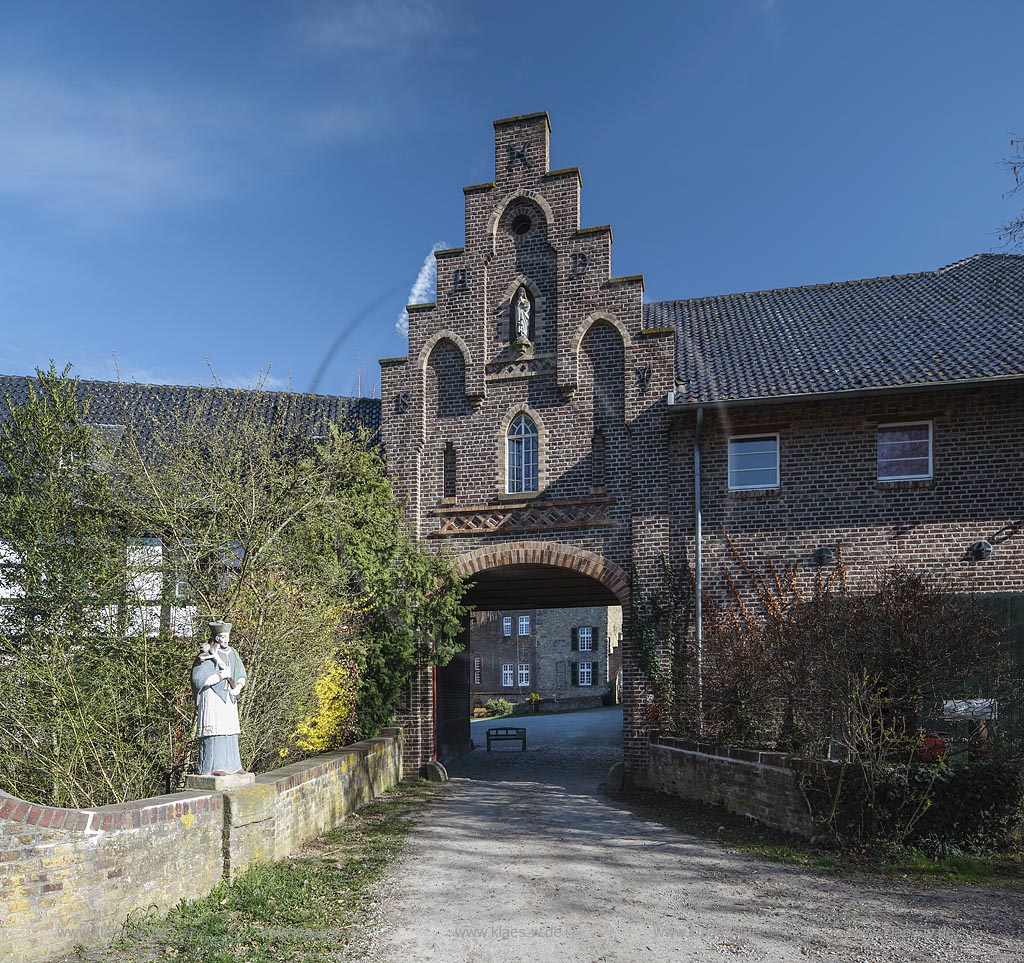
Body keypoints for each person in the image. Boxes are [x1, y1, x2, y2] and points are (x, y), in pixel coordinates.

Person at [190, 620, 247, 776]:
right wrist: (220, 675)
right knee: (216, 729)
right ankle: (214, 766)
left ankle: (234, 765)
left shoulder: (233, 652)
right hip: (213, 696)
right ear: (215, 637)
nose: (225, 640)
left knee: (230, 730)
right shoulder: (207, 654)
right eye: (222, 637)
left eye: (227, 636)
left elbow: (241, 673)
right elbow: (198, 679)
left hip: (229, 696)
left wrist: (239, 686)